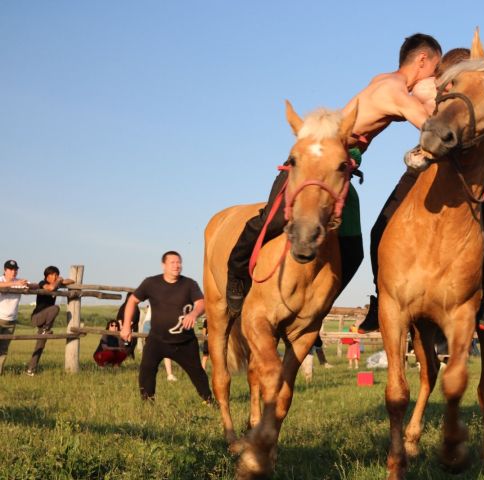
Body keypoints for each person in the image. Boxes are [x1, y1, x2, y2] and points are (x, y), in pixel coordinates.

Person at [225, 33, 442, 318]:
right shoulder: (394, 91)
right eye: (435, 69)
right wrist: (433, 96)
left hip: (342, 169)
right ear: (422, 60)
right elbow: (434, 129)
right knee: (274, 219)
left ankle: (318, 308)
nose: (434, 76)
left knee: (353, 251)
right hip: (318, 158)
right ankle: (237, 273)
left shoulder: (385, 80)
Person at [364, 47, 484, 332]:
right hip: (426, 165)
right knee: (381, 225)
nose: (443, 81)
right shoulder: (431, 91)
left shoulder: (478, 97)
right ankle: (381, 296)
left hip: (468, 175)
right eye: (443, 77)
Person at [120, 251, 212, 402]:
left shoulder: (189, 284)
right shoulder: (151, 283)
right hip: (157, 340)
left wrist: (194, 314)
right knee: (146, 369)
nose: (177, 265)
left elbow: (201, 303)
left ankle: (208, 401)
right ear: (163, 265)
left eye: (179, 262)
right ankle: (147, 403)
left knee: (197, 373)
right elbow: (132, 301)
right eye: (173, 262)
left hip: (184, 342)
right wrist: (125, 326)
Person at [26, 266, 75, 376]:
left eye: (56, 274)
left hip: (47, 320)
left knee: (40, 345)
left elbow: (72, 281)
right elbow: (50, 288)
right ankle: (45, 329)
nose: (55, 277)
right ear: (46, 276)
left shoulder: (57, 283)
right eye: (52, 274)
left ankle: (31, 369)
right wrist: (59, 281)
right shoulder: (42, 282)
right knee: (55, 308)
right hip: (38, 317)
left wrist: (61, 280)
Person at [0, 260, 33, 375]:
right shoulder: (1, 280)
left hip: (11, 321)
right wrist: (14, 283)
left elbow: (30, 285)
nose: (13, 272)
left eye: (15, 269)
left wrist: (27, 286)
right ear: (5, 270)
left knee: (4, 349)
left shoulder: (19, 281)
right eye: (11, 269)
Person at [116, 292, 140, 359]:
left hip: (132, 329)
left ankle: (129, 357)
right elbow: (119, 317)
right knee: (123, 344)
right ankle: (125, 357)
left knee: (129, 345)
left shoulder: (136, 308)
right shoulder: (123, 306)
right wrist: (121, 325)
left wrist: (126, 327)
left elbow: (133, 320)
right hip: (122, 329)